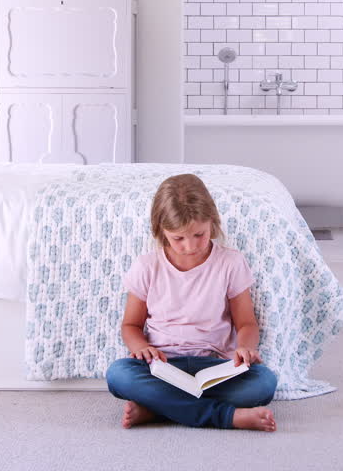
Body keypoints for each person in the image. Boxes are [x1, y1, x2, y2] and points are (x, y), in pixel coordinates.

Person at [105, 173, 278, 431]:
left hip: (215, 366)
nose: (190, 246)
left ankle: (158, 408)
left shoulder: (230, 263)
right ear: (161, 231)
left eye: (199, 234)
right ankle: (227, 417)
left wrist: (245, 348)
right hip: (162, 366)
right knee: (118, 374)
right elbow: (130, 325)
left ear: (212, 222)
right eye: (179, 238)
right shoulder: (147, 266)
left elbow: (247, 323)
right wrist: (141, 347)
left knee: (264, 382)